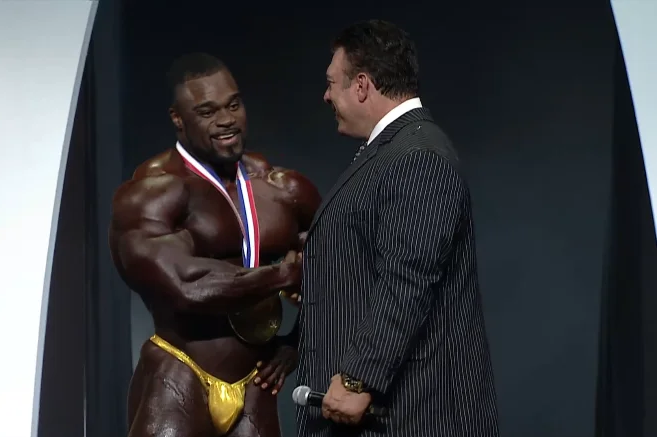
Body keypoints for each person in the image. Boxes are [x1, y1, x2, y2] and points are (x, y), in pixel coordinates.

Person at [293, 20, 500, 437]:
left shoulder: (418, 156)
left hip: (413, 416)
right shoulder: (393, 151)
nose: (326, 95)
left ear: (362, 85)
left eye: (332, 83)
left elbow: (407, 280)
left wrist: (358, 378)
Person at [109, 52, 321, 437]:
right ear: (178, 118)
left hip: (255, 381)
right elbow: (185, 285)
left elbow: (344, 270)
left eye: (233, 105)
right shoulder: (154, 190)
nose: (226, 120)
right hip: (180, 371)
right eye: (207, 112)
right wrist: (285, 274)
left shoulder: (282, 188)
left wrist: (298, 343)